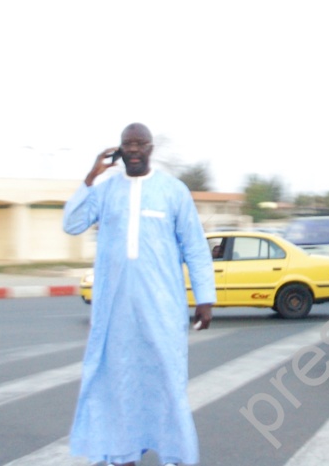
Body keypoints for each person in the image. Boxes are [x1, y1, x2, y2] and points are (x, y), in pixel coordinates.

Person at [63, 123, 216, 466]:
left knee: (166, 385)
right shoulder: (104, 190)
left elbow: (194, 246)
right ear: (118, 149)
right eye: (126, 144)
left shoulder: (172, 191)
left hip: (162, 310)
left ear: (150, 148)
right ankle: (122, 454)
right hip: (114, 313)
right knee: (117, 384)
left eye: (139, 144)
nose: (133, 149)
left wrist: (205, 299)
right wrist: (90, 177)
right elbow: (72, 224)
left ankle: (175, 455)